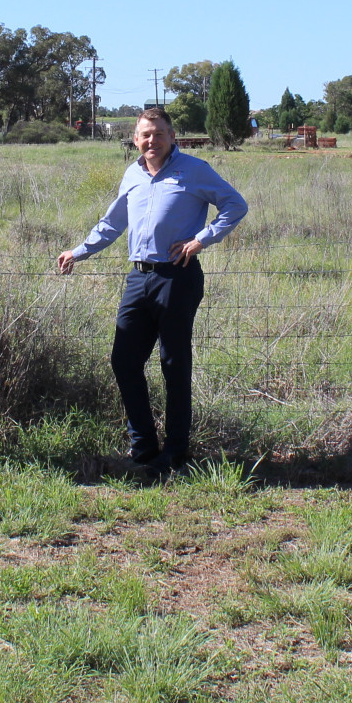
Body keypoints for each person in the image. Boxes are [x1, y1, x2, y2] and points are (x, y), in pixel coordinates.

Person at [56, 107, 248, 471]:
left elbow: (235, 205)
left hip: (177, 275)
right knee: (124, 360)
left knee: (173, 364)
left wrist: (202, 240)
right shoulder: (132, 174)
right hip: (138, 277)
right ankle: (143, 446)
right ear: (135, 138)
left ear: (172, 136)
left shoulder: (194, 170)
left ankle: (175, 453)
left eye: (159, 134)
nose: (151, 141)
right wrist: (78, 252)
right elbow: (112, 223)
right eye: (145, 134)